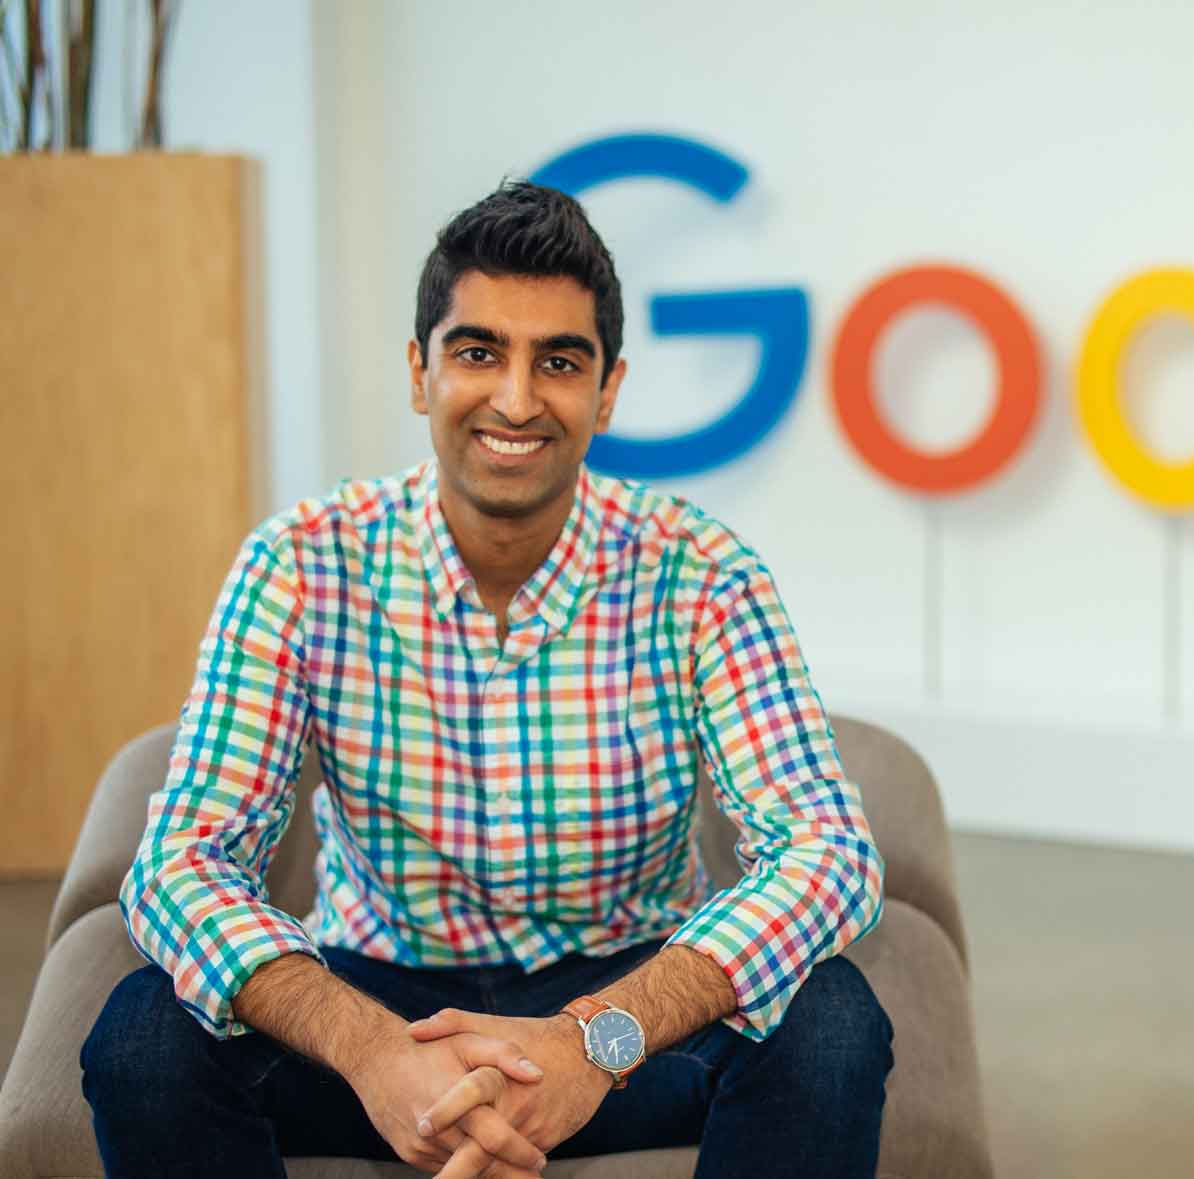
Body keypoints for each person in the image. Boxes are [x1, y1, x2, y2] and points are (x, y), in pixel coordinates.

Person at [79, 181, 892, 1179]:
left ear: (609, 391)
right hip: (380, 991)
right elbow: (180, 861)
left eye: (559, 361)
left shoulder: (703, 573)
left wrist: (596, 1039)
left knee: (832, 1021)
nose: (515, 399)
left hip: (624, 1004)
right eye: (478, 352)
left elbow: (830, 850)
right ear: (420, 372)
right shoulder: (301, 564)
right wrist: (372, 1052)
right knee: (142, 1038)